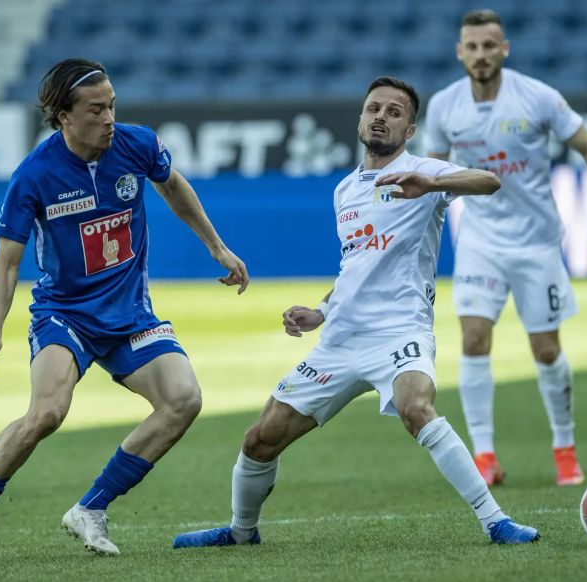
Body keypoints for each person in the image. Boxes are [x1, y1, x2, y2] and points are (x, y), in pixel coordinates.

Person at [172, 77, 540, 549]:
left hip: (399, 331)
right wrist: (320, 311)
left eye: (394, 112)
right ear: (361, 118)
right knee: (259, 439)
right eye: (374, 109)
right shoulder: (345, 190)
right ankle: (242, 532)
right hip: (341, 340)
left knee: (416, 407)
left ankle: (496, 522)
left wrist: (432, 181)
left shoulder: (422, 171)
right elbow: (355, 264)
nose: (381, 117)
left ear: (409, 129)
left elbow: (489, 181)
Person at [0, 59, 249, 566]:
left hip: (130, 314)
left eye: (112, 106)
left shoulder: (137, 143)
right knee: (47, 414)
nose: (109, 118)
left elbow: (174, 186)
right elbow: (7, 263)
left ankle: (91, 508)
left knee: (183, 399)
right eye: (96, 109)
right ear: (63, 116)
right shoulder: (34, 175)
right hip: (66, 315)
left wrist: (216, 247)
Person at [424, 10, 587, 486]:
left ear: (504, 49)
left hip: (538, 244)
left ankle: (564, 446)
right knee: (474, 340)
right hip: (479, 240)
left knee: (545, 350)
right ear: (460, 52)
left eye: (489, 46)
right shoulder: (444, 106)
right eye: (472, 47)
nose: (480, 54)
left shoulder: (537, 96)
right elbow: (431, 171)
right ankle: (484, 457)